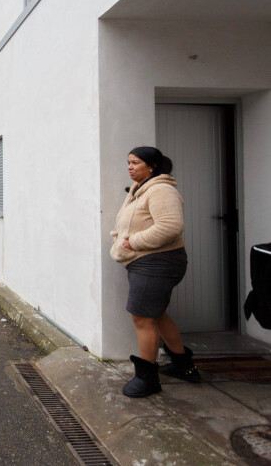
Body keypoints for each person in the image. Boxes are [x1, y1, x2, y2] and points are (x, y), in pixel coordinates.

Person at [110, 146, 198, 399]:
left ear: (152, 166)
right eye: (128, 162)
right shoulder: (140, 190)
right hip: (146, 262)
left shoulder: (161, 190)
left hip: (157, 262)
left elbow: (171, 227)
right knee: (155, 314)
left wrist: (132, 242)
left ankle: (147, 379)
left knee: (142, 317)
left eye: (135, 162)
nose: (130, 167)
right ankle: (184, 366)